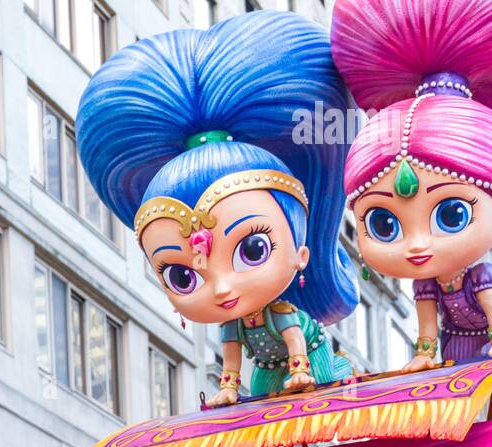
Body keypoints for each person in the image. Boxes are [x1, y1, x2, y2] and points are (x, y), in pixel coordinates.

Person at [76, 16, 357, 408]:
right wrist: (228, 386)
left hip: (310, 363)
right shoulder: (233, 324)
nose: (223, 288)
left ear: (301, 254)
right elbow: (231, 360)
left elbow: (296, 341)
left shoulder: (283, 311)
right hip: (265, 375)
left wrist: (300, 369)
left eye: (253, 249)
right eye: (183, 275)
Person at [331, 0, 492, 368]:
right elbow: (428, 326)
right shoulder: (425, 284)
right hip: (456, 342)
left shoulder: (481, 273)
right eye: (384, 224)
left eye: (452, 214)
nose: (416, 245)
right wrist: (424, 354)